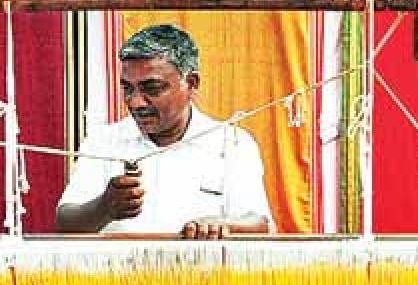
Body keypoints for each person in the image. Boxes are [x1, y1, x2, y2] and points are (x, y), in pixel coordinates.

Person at [56, 24, 274, 239]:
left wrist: (219, 225)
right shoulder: (103, 142)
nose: (136, 102)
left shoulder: (232, 143)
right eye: (128, 89)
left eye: (152, 88)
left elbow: (258, 223)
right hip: (115, 274)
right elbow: (65, 221)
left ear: (191, 83)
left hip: (201, 272)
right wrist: (103, 207)